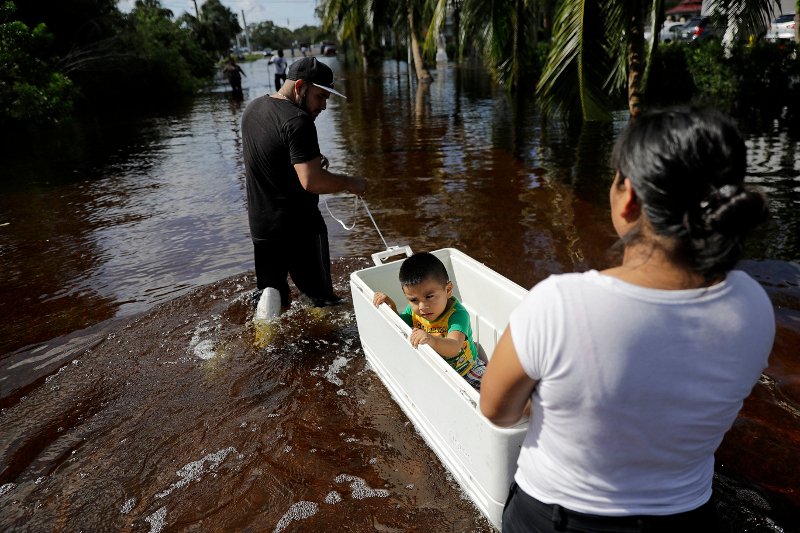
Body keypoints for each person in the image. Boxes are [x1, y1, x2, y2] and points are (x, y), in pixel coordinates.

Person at [479, 106, 775, 532]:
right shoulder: (753, 305)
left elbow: (497, 410)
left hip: (559, 517)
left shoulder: (560, 304)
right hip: (688, 516)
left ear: (629, 195)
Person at [241, 57, 367, 313]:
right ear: (300, 86)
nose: (323, 106)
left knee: (272, 295)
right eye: (320, 97)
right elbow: (311, 181)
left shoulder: (253, 109)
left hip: (262, 226)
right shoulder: (299, 121)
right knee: (321, 301)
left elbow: (272, 159)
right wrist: (350, 182)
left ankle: (264, 344)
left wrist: (310, 160)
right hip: (299, 228)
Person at [373, 252, 486, 391]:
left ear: (448, 290)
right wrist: (392, 310)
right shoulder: (414, 311)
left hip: (467, 370)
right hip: (437, 370)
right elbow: (402, 328)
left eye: (429, 296)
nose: (422, 307)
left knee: (495, 392)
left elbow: (454, 347)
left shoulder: (457, 315)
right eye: (413, 300)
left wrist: (431, 340)